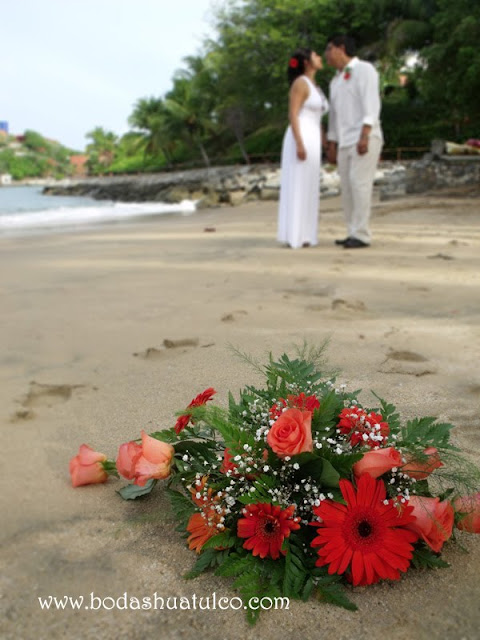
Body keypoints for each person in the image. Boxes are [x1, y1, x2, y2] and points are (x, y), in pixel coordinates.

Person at [325, 34, 383, 248]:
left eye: (329, 49)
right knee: (347, 187)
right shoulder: (335, 80)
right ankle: (352, 230)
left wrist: (365, 134)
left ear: (341, 48)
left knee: (360, 184)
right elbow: (334, 116)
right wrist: (332, 143)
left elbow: (372, 104)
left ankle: (362, 233)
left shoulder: (364, 69)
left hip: (364, 136)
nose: (326, 55)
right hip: (344, 140)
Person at [277, 48, 329, 249]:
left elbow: (319, 117)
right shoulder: (300, 83)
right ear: (307, 62)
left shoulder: (316, 86)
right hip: (302, 133)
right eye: (316, 56)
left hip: (314, 135)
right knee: (298, 183)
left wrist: (324, 141)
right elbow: (293, 114)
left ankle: (307, 233)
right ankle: (294, 234)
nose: (320, 58)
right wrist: (299, 142)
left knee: (309, 184)